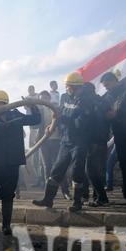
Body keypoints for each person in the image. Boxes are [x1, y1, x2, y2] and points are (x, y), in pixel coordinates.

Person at [0, 90, 41, 235]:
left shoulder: (16, 115)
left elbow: (35, 120)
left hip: (11, 163)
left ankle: (6, 226)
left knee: (8, 195)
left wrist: (32, 106)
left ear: (5, 104)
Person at [32, 72, 93, 212]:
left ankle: (77, 202)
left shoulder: (85, 99)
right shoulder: (65, 97)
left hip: (80, 140)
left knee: (76, 171)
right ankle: (48, 199)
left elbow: (74, 115)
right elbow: (59, 114)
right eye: (66, 86)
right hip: (66, 139)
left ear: (76, 87)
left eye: (69, 86)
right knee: (56, 169)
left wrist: (61, 113)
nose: (67, 89)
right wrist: (52, 124)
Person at [101, 71, 126, 201]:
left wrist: (118, 114)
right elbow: (105, 115)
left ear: (114, 81)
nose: (106, 88)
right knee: (124, 163)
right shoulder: (107, 97)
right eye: (104, 86)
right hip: (119, 135)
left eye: (107, 85)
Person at [82, 82, 111, 206]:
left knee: (91, 171)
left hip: (94, 141)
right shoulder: (103, 101)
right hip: (102, 140)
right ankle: (98, 197)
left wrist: (93, 141)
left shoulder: (91, 103)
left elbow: (95, 124)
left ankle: (102, 197)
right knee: (98, 170)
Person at [37, 91, 62, 189]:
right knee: (46, 165)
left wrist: (51, 126)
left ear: (48, 97)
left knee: (58, 164)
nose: (43, 100)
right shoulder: (39, 110)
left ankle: (65, 190)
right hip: (44, 141)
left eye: (44, 97)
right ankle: (48, 190)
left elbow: (59, 121)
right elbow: (37, 125)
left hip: (56, 139)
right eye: (41, 98)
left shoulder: (56, 107)